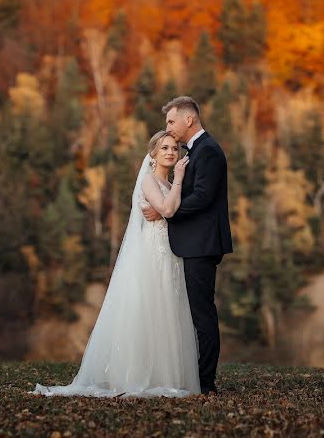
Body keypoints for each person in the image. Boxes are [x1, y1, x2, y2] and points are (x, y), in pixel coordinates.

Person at [32, 131, 200, 398]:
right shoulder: (149, 181)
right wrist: (179, 179)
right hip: (150, 255)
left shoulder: (167, 186)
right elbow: (168, 211)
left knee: (167, 310)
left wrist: (174, 192)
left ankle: (165, 374)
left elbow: (173, 211)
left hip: (170, 254)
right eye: (165, 148)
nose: (171, 153)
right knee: (148, 309)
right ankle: (136, 374)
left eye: (175, 149)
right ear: (153, 155)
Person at [142, 96, 233, 395]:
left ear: (188, 120)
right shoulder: (196, 151)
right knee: (192, 313)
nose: (168, 127)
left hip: (201, 245)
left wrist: (166, 212)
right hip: (192, 244)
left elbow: (203, 197)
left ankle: (206, 383)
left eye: (171, 121)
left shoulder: (208, 152)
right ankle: (194, 377)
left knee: (202, 315)